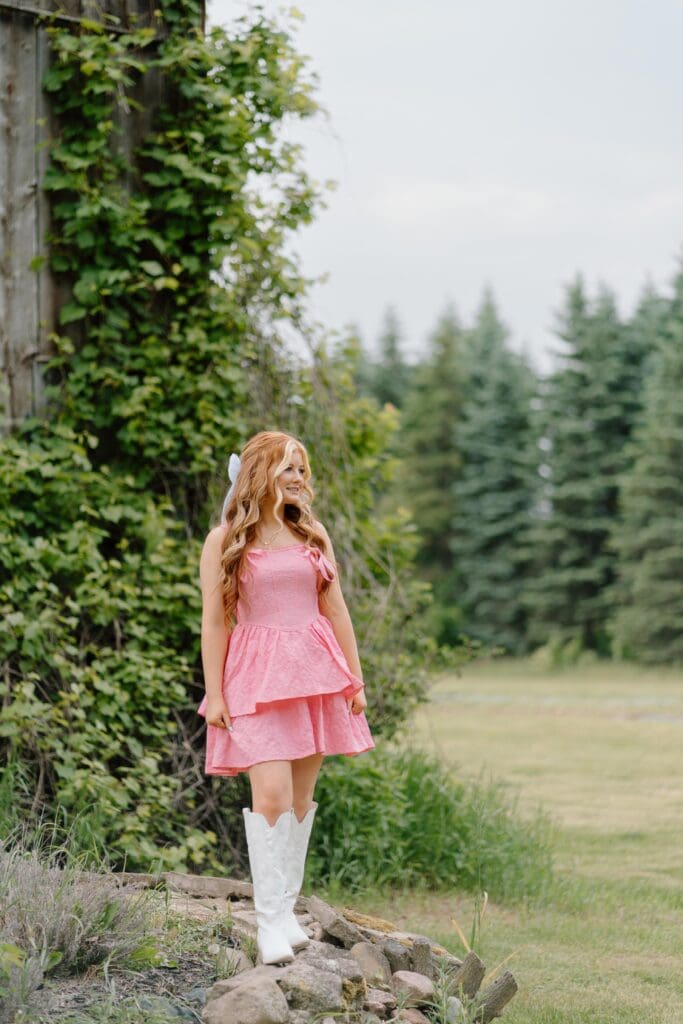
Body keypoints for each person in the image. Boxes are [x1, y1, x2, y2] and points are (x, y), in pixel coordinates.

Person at [197, 430, 375, 966]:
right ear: (262, 472)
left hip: (315, 674)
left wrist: (356, 681)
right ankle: (268, 922)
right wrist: (215, 691)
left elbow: (337, 611)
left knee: (299, 800)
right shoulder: (225, 540)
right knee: (269, 794)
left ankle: (287, 911)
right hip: (254, 677)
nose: (299, 478)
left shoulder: (313, 535)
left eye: (302, 468)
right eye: (288, 467)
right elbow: (214, 621)